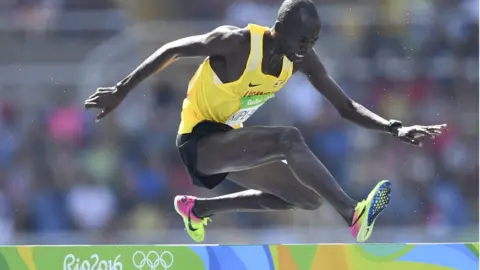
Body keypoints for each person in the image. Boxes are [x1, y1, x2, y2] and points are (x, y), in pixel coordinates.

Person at [85, 0, 446, 243]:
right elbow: (173, 50)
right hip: (197, 141)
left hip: (229, 141)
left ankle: (198, 208)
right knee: (287, 139)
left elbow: (346, 107)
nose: (306, 47)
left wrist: (394, 127)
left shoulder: (300, 59)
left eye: (313, 41)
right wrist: (121, 90)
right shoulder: (237, 42)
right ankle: (353, 212)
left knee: (305, 198)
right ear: (279, 28)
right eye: (302, 39)